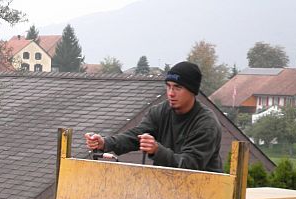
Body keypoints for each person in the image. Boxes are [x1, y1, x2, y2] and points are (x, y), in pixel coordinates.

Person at [84, 61, 223, 172]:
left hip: (205, 194)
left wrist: (157, 150)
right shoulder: (160, 112)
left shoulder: (206, 124)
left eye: (178, 88)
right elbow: (136, 136)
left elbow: (189, 166)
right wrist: (105, 143)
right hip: (167, 188)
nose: (171, 93)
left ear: (192, 91)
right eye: (168, 86)